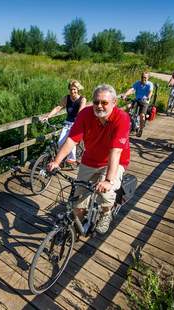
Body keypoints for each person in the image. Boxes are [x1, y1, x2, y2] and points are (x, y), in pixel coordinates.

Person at [48, 84, 130, 234]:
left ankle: (106, 214)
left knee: (106, 193)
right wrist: (56, 161)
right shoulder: (85, 114)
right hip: (90, 160)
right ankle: (75, 227)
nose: (99, 106)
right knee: (78, 201)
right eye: (96, 102)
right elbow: (72, 140)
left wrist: (108, 180)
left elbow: (116, 152)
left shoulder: (122, 118)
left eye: (104, 102)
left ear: (114, 103)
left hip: (113, 162)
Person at [41, 80, 87, 165]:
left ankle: (72, 159)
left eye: (74, 89)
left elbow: (80, 112)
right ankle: (63, 156)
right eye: (71, 89)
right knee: (60, 143)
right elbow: (58, 107)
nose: (72, 91)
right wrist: (48, 116)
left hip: (78, 123)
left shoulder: (82, 99)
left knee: (70, 140)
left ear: (78, 89)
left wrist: (76, 123)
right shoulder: (67, 98)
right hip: (68, 123)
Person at [122, 72, 153, 137]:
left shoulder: (150, 84)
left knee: (142, 115)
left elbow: (150, 92)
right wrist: (125, 94)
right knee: (128, 107)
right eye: (142, 77)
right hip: (137, 100)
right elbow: (132, 89)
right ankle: (127, 122)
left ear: (148, 78)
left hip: (144, 101)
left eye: (145, 77)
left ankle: (140, 130)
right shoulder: (138, 83)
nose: (143, 79)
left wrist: (148, 97)